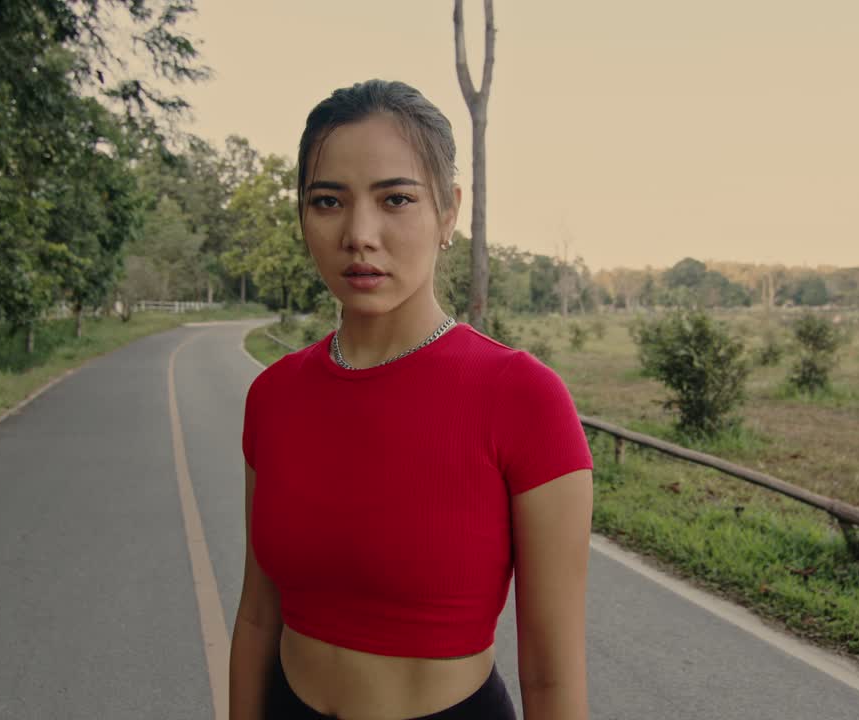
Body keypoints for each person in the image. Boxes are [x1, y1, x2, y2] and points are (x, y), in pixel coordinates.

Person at [229, 79, 594, 720]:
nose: (359, 235)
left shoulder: (524, 399)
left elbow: (551, 676)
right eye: (327, 201)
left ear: (448, 211)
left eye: (396, 198)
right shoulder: (275, 396)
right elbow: (259, 619)